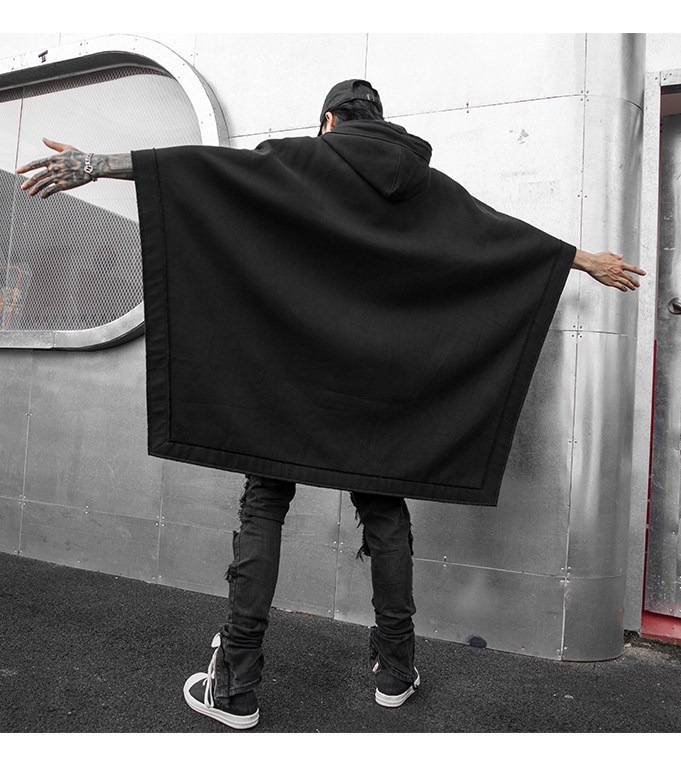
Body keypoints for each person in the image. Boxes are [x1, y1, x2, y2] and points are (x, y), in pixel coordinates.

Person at [16, 79, 645, 731]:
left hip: (290, 382)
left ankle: (236, 684)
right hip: (380, 392)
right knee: (385, 509)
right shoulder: (425, 185)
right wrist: (584, 260)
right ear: (381, 121)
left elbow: (205, 172)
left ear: (329, 120)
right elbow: (496, 236)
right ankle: (396, 671)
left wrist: (97, 164)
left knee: (265, 502)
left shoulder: (298, 158)